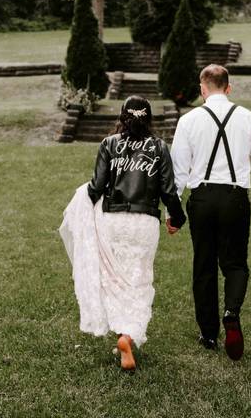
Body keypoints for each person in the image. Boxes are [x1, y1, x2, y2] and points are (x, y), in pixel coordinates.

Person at [59, 95, 187, 372]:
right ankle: (127, 336)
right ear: (148, 118)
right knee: (139, 279)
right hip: (144, 223)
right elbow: (168, 190)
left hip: (113, 220)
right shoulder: (159, 147)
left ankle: (122, 337)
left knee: (116, 280)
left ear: (123, 117)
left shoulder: (109, 144)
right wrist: (177, 217)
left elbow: (97, 185)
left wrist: (81, 205)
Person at [170, 64, 251, 361]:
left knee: (203, 265)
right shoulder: (249, 118)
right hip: (234, 198)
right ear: (229, 88)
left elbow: (179, 171)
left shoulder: (188, 121)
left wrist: (173, 212)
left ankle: (207, 334)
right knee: (235, 263)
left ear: (202, 89)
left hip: (201, 198)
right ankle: (231, 311)